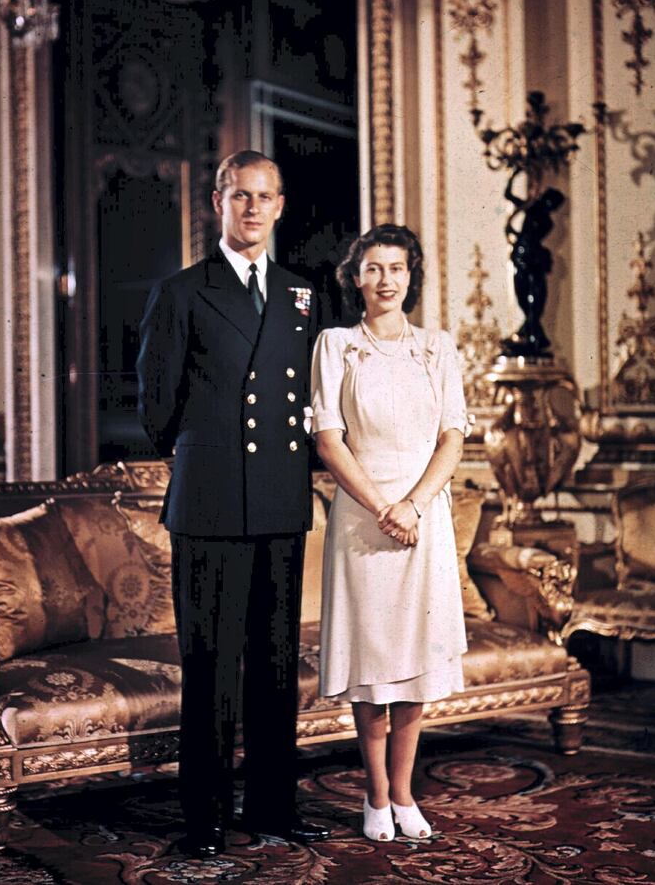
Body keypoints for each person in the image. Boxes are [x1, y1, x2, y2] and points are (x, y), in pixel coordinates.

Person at [137, 150, 329, 858]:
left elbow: (310, 399)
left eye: (265, 196)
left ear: (280, 206)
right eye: (240, 195)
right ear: (217, 201)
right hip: (211, 506)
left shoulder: (302, 294)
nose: (252, 208)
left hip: (280, 502)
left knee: (277, 665)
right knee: (211, 667)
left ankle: (274, 807)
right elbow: (157, 410)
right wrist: (211, 455)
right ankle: (205, 817)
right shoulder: (183, 291)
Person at [311, 223, 468, 843]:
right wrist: (383, 507)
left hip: (423, 517)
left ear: (411, 277)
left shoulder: (438, 347)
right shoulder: (336, 345)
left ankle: (405, 793)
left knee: (413, 665)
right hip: (363, 517)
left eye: (397, 268)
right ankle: (376, 794)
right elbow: (328, 437)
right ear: (355, 278)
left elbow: (453, 435)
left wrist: (414, 505)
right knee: (373, 663)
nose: (385, 280)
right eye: (373, 268)